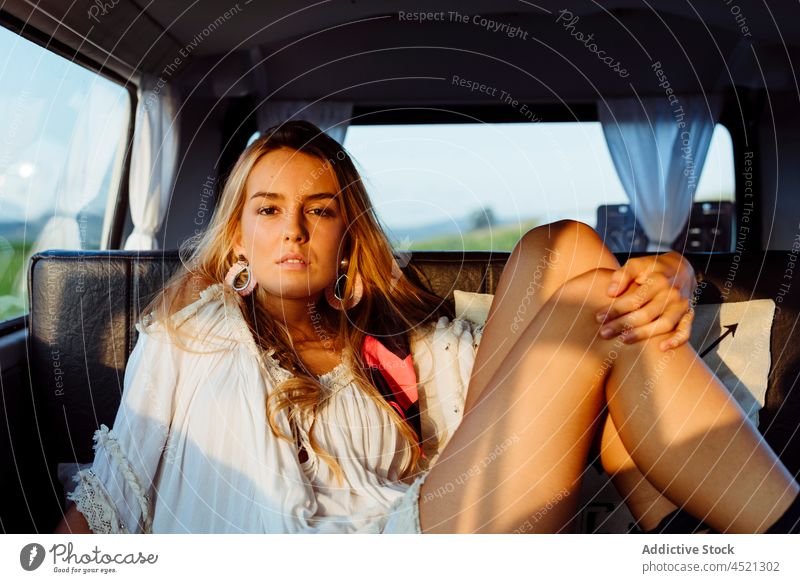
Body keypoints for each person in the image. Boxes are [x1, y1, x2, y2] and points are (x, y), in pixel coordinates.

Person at [55, 120, 800, 534]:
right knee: (592, 302)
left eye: (319, 210)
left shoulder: (390, 348)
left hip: (421, 517)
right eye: (269, 208)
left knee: (571, 249)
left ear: (346, 235)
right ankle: (738, 529)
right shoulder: (190, 332)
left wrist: (678, 273)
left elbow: (531, 392)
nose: (294, 230)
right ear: (238, 235)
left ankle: (682, 538)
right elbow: (109, 500)